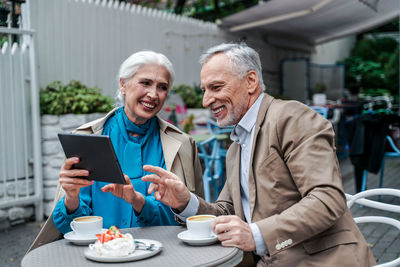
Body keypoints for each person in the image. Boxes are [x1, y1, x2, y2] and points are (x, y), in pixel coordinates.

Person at [142, 43, 375, 266]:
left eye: (216, 87)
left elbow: (327, 199)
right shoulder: (235, 147)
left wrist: (256, 234)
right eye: (205, 90)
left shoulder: (291, 118)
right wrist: (185, 202)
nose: (206, 100)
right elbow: (226, 212)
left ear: (251, 81)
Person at [28, 51, 204, 251]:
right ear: (123, 85)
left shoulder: (183, 145)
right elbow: (71, 226)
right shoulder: (88, 138)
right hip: (100, 256)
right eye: (145, 83)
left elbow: (192, 218)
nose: (153, 94)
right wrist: (71, 199)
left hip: (164, 256)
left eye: (162, 87)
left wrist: (138, 202)